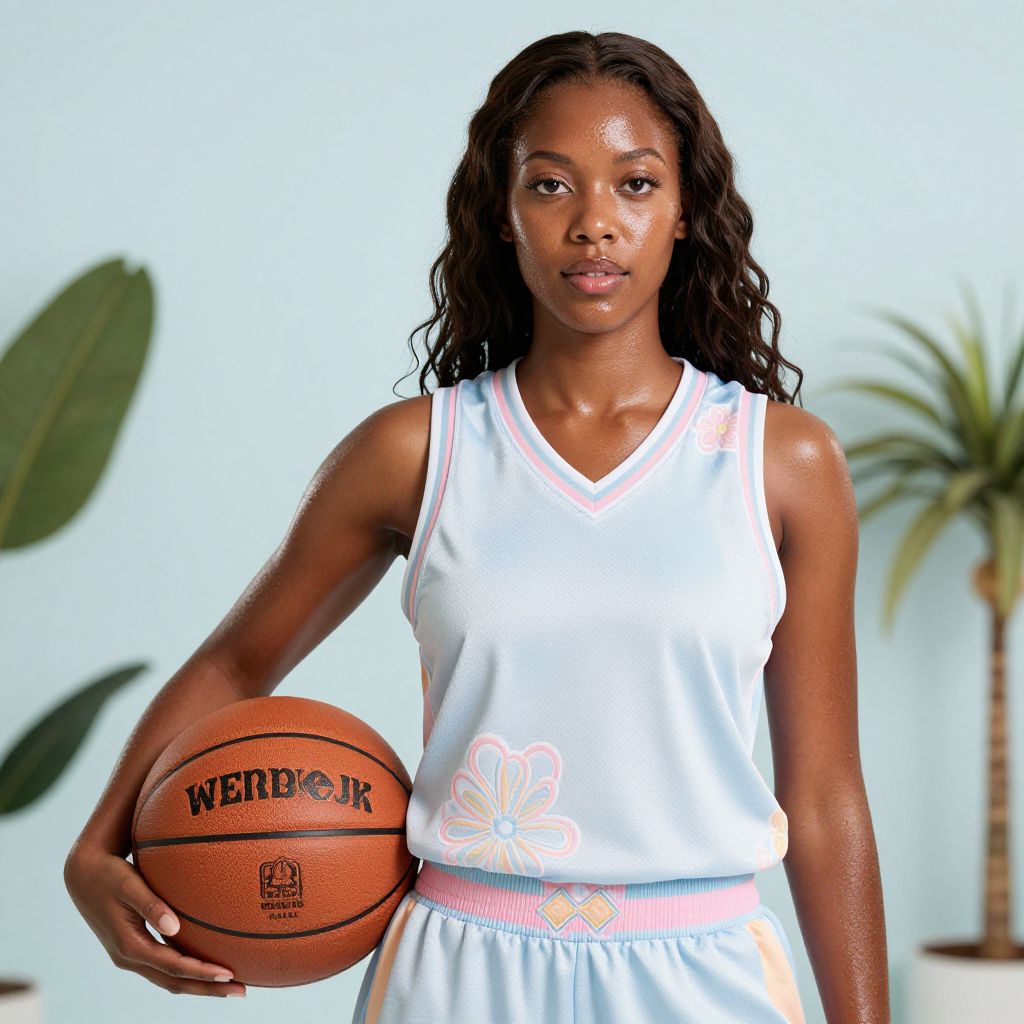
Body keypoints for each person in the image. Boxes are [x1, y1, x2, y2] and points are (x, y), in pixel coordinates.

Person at [64, 28, 890, 1023]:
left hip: (703, 971)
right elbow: (238, 664)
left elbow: (824, 794)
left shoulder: (781, 462)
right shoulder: (418, 452)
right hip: (458, 970)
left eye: (635, 184)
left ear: (684, 211)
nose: (594, 223)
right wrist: (94, 846)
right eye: (550, 186)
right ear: (501, 212)